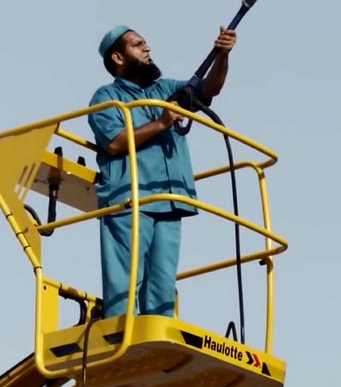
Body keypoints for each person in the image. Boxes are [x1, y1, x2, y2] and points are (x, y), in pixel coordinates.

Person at [87, 24, 235, 318]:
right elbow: (115, 144)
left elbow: (208, 89)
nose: (147, 48)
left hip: (170, 196)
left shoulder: (164, 89)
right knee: (126, 280)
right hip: (130, 199)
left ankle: (156, 334)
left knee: (163, 280)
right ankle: (122, 333)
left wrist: (222, 55)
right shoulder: (106, 98)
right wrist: (161, 122)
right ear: (118, 57)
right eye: (138, 44)